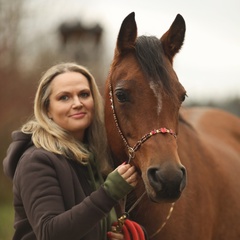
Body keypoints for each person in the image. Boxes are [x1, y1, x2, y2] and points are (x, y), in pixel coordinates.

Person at [3, 62, 139, 240]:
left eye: (84, 94)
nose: (77, 103)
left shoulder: (97, 156)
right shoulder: (36, 161)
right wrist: (109, 193)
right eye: (64, 97)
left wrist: (121, 234)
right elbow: (49, 233)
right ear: (47, 110)